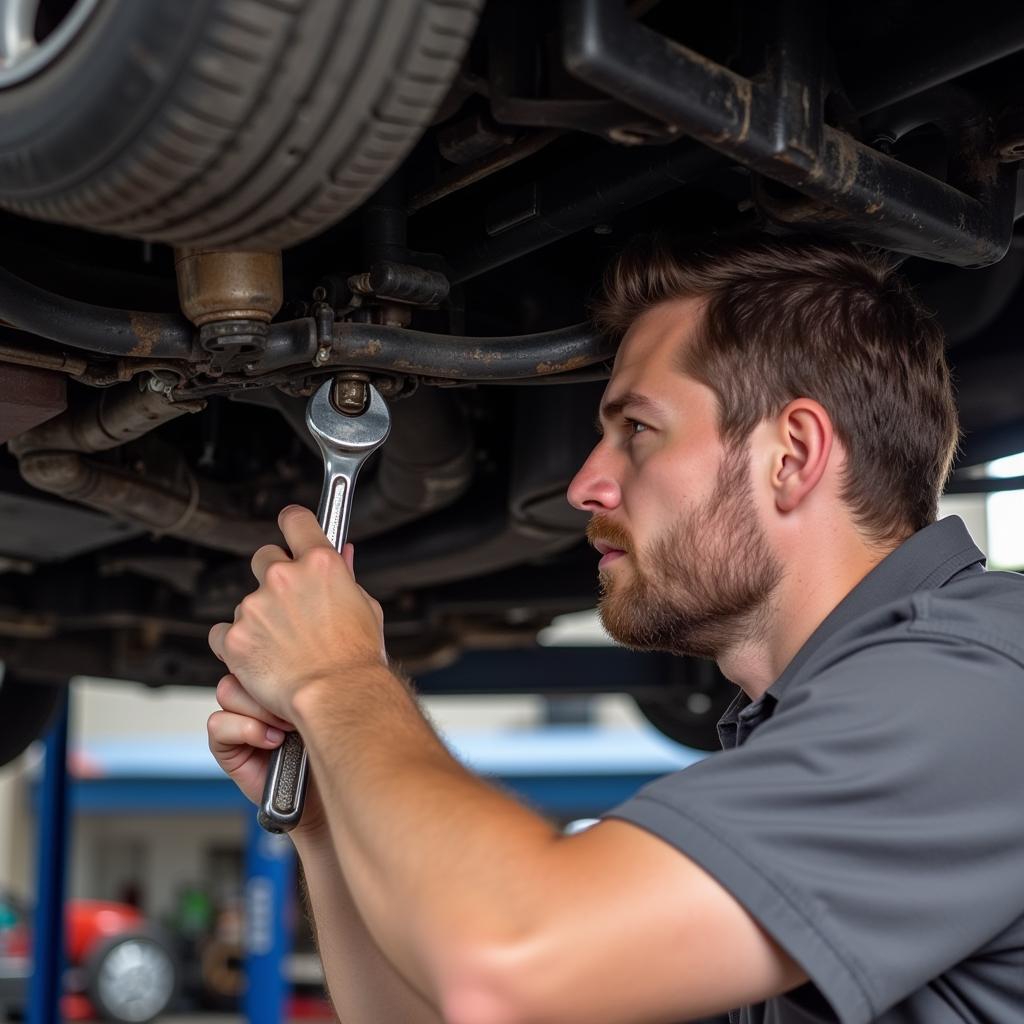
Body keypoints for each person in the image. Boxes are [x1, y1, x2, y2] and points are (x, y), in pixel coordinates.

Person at [206, 235, 1024, 1024]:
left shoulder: (980, 693)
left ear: (793, 454)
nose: (586, 484)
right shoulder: (821, 736)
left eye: (636, 429)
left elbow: (506, 962)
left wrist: (343, 680)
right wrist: (327, 814)